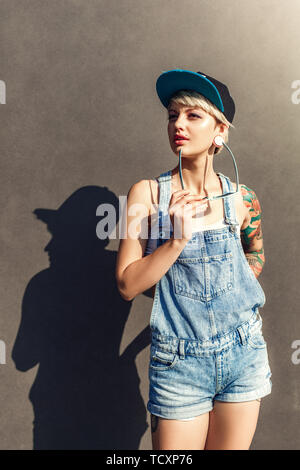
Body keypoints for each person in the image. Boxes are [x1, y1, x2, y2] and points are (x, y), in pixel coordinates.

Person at [115, 69, 272, 450]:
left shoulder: (242, 198)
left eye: (193, 115)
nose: (178, 125)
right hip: (179, 363)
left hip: (243, 353)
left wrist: (238, 283)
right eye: (173, 116)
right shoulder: (147, 194)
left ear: (221, 130)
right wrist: (176, 240)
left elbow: (255, 252)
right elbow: (127, 284)